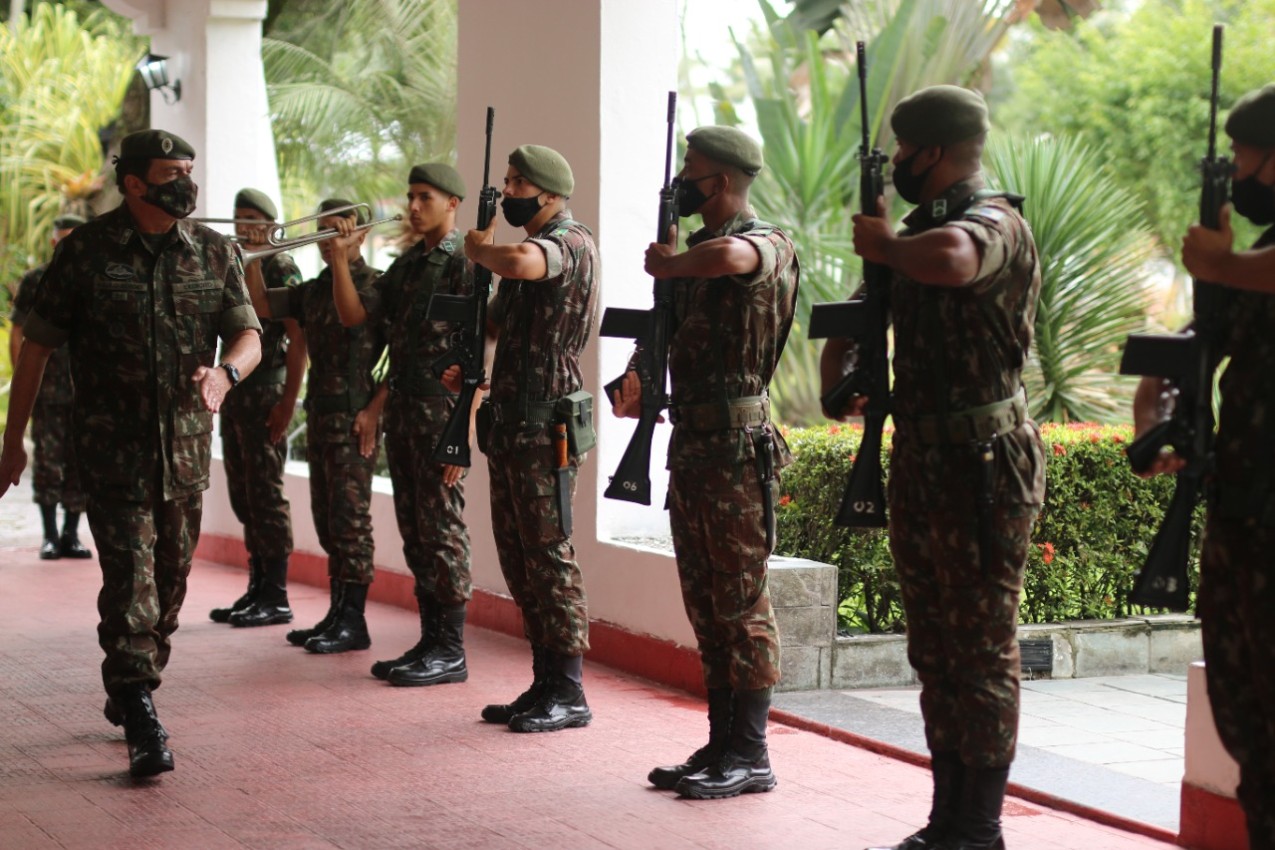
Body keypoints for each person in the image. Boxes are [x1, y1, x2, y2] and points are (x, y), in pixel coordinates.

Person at [820, 87, 1045, 850]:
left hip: (984, 462)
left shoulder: (993, 223)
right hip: (920, 456)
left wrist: (883, 245)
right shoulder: (913, 232)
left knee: (979, 646)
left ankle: (977, 828)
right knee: (934, 646)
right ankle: (945, 817)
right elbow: (854, 317)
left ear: (934, 154)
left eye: (904, 155)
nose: (899, 169)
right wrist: (840, 376)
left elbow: (954, 262)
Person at [0, 129, 263, 777]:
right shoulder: (86, 253)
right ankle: (140, 707)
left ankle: (135, 681)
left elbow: (249, 336)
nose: (187, 181)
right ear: (135, 182)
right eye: (173, 170)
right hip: (110, 450)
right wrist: (14, 442)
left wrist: (223, 376)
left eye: (190, 169)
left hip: (184, 453)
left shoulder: (210, 250)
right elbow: (35, 347)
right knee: (130, 585)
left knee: (170, 583)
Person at [610, 126, 798, 799]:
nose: (679, 181)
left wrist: (668, 264)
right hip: (690, 445)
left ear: (717, 182)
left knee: (740, 603)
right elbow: (660, 330)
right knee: (705, 602)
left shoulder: (764, 243)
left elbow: (732, 258)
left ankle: (750, 753)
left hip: (736, 447)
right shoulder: (689, 257)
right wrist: (636, 378)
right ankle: (721, 742)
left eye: (690, 170)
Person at [1133, 83, 1275, 848]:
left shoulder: (1250, 264)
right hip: (1242, 519)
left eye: (1246, 156)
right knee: (1248, 727)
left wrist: (1221, 263)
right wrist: (1160, 415)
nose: (1239, 171)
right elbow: (1194, 345)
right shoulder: (1252, 260)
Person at [448, 144, 598, 732]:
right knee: (518, 555)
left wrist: (480, 246)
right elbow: (492, 320)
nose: (510, 192)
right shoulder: (522, 253)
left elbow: (519, 262)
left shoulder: (569, 241)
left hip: (546, 425)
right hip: (512, 422)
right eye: (507, 181)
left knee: (549, 553)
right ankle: (543, 682)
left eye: (518, 183)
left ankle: (570, 689)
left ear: (551, 194)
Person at [329, 164, 478, 686]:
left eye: (425, 197)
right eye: (411, 196)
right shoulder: (410, 265)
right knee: (415, 529)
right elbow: (356, 318)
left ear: (453, 202)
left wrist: (464, 433)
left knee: (442, 529)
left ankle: (451, 649)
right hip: (407, 412)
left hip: (443, 414)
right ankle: (431, 640)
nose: (413, 206)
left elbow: (481, 352)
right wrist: (341, 259)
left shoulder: (464, 262)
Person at [244, 199, 385, 655]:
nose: (326, 241)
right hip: (322, 414)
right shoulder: (315, 286)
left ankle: (354, 620)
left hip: (353, 415)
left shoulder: (371, 282)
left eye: (336, 232)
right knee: (327, 520)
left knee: (350, 521)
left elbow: (351, 316)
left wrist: (342, 257)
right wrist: (253, 256)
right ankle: (337, 610)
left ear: (360, 235)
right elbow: (263, 307)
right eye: (321, 233)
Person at [208, 188, 306, 628]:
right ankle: (257, 586)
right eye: (237, 216)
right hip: (237, 396)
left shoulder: (281, 265)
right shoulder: (232, 261)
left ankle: (277, 593)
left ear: (269, 222)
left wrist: (289, 402)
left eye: (251, 217)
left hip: (267, 392)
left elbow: (296, 337)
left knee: (266, 494)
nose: (242, 225)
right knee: (244, 494)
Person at [9, 214, 92, 561]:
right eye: (60, 241)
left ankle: (72, 534)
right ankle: (49, 535)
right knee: (47, 460)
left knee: (80, 462)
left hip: (86, 391)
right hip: (47, 389)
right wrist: (25, 381)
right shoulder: (35, 280)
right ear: (54, 243)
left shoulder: (94, 279)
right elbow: (19, 333)